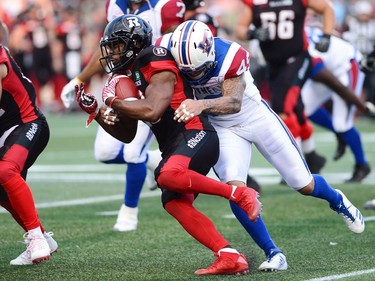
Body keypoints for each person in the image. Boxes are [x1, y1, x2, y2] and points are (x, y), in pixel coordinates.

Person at [160, 20, 365, 270]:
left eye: (197, 69)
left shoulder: (230, 55)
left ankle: (337, 200)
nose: (193, 75)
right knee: (237, 191)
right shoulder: (170, 52)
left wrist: (200, 105)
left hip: (254, 116)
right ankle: (273, 253)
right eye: (187, 70)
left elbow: (234, 102)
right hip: (222, 128)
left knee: (303, 184)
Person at [75, 14, 262, 276]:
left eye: (117, 46)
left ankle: (240, 194)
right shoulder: (127, 76)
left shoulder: (154, 58)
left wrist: (114, 102)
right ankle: (229, 255)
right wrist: (96, 112)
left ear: (134, 43)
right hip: (174, 145)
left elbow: (153, 110)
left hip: (196, 133)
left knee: (168, 176)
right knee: (173, 201)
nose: (113, 53)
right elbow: (127, 134)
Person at [60, 0, 186, 232]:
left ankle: (129, 211)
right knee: (105, 152)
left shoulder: (167, 6)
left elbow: (179, 45)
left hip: (154, 84)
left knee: (131, 152)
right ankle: (154, 161)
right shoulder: (116, 5)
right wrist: (79, 79)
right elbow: (110, 47)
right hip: (126, 79)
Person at [235, 0, 337, 175]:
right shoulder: (255, 2)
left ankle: (296, 164)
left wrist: (327, 35)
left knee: (283, 107)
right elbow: (240, 29)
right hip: (273, 64)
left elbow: (327, 9)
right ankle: (312, 156)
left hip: (297, 58)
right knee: (296, 107)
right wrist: (253, 33)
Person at [0, 20, 58, 265]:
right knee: (2, 191)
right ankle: (44, 237)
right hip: (7, 130)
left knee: (4, 170)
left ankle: (35, 237)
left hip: (29, 123)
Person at [302, 25, 372, 182]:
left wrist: (360, 104)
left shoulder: (304, 49)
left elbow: (336, 85)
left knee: (343, 123)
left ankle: (362, 164)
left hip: (346, 65)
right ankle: (340, 134)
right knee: (304, 108)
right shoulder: (291, 38)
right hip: (325, 69)